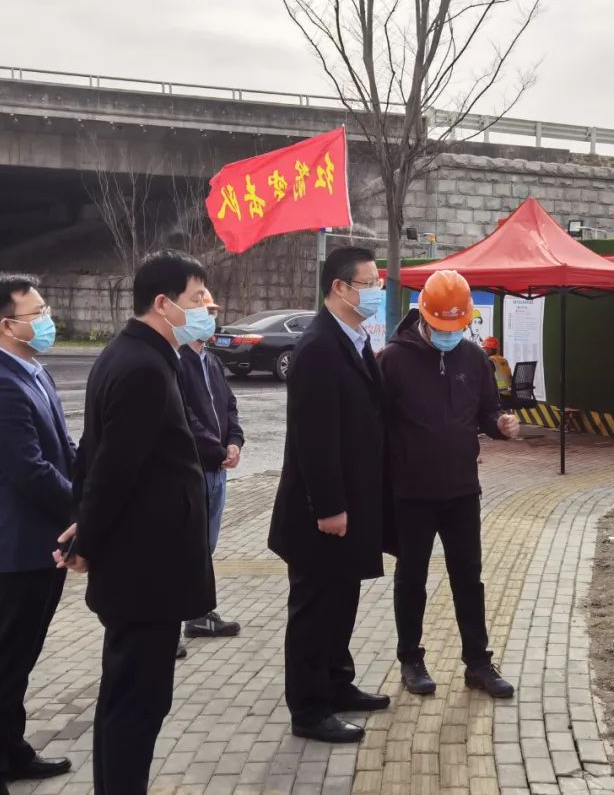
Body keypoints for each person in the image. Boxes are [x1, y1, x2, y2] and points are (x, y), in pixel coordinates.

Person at [55, 250, 216, 793]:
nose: (206, 308)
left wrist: (84, 525)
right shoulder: (143, 367)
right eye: (197, 299)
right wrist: (87, 541)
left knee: (127, 697)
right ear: (163, 303)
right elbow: (112, 467)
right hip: (146, 569)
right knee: (137, 702)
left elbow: (94, 452)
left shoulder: (133, 353)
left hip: (140, 565)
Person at [269, 246, 390, 743]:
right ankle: (309, 709)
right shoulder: (319, 346)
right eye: (370, 282)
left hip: (352, 502)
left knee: (341, 602)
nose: (378, 291)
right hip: (321, 513)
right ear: (340, 287)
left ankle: (338, 684)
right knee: (315, 612)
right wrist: (330, 506)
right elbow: (313, 437)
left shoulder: (353, 339)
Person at [379, 269, 520, 699]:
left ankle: (478, 663)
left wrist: (500, 424)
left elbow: (487, 411)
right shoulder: (393, 360)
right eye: (442, 326)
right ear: (424, 316)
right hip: (411, 493)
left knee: (468, 578)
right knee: (411, 578)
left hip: (462, 490)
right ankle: (411, 658)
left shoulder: (474, 359)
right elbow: (376, 425)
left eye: (457, 326)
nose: (449, 334)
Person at [0, 274, 74, 794]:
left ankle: (11, 751)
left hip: (40, 544)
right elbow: (29, 472)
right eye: (38, 313)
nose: (47, 319)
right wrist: (83, 507)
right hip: (16, 549)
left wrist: (90, 485)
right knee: (4, 667)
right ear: (7, 325)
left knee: (19, 661)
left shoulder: (31, 369)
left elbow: (62, 450)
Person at [179, 289, 243, 645]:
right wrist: (216, 449)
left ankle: (199, 613)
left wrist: (234, 442)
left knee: (206, 546)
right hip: (194, 469)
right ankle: (171, 619)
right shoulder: (176, 361)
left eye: (213, 312)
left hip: (217, 469)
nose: (210, 319)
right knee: (184, 548)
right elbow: (184, 416)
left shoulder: (212, 362)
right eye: (204, 311)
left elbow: (229, 407)